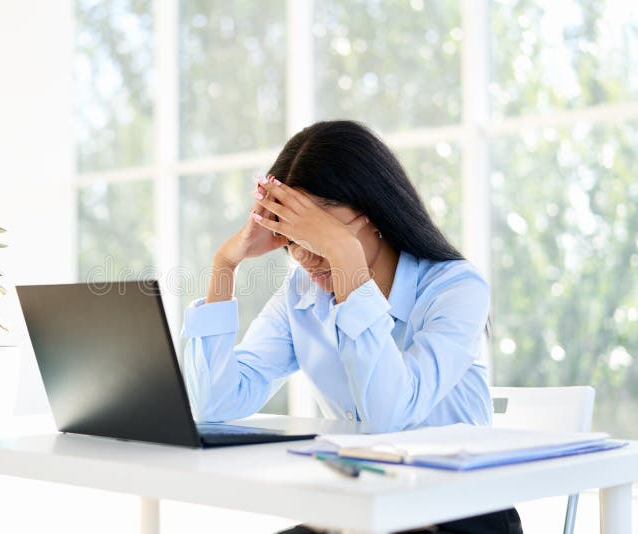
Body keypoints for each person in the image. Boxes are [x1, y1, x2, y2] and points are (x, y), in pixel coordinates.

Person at [180, 120, 522, 533]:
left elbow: (388, 414)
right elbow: (213, 403)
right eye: (289, 237)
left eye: (315, 234)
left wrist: (345, 261)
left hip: (459, 511)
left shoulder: (456, 288)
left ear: (371, 212)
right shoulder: (303, 296)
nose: (304, 256)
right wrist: (225, 265)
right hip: (366, 511)